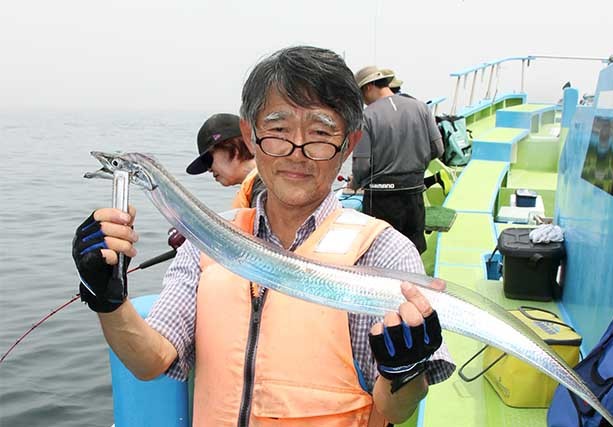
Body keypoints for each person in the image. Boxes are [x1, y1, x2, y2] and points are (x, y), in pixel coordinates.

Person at [72, 46, 454, 426]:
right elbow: (151, 359)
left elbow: (396, 410)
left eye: (320, 133)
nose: (297, 152)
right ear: (250, 136)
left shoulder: (383, 252)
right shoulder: (208, 241)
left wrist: (403, 372)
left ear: (348, 145)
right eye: (278, 130)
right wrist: (108, 301)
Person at [351, 66, 444, 254]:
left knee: (382, 252)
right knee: (413, 249)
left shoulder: (366, 117)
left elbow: (362, 165)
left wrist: (355, 183)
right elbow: (438, 149)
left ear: (368, 87)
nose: (363, 101)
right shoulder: (421, 107)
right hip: (414, 192)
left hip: (381, 198)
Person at [186, 112, 265, 208]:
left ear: (234, 148)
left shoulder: (264, 189)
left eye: (208, 160)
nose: (209, 170)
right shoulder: (259, 185)